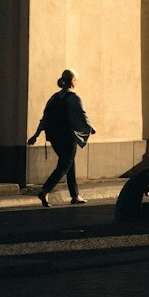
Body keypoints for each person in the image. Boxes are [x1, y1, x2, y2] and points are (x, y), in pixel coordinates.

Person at [27, 69, 96, 207]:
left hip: (53, 137)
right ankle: (45, 190)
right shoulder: (74, 97)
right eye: (76, 80)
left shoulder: (54, 97)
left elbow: (45, 117)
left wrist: (36, 134)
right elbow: (83, 115)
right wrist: (91, 127)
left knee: (69, 163)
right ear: (73, 82)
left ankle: (75, 195)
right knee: (65, 164)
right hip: (67, 136)